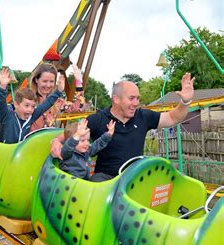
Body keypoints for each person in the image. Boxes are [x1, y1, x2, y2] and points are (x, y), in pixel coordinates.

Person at [51, 73, 195, 181]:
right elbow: (67, 135)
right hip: (107, 180)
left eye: (137, 98)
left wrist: (185, 102)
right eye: (131, 98)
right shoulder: (98, 119)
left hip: (134, 178)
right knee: (96, 182)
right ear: (116, 99)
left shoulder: (143, 116)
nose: (136, 103)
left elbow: (172, 117)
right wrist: (56, 142)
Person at [0, 67, 65, 144]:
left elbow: (47, 103)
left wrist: (59, 91)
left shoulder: (31, 116)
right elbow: (1, 102)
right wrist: (3, 87)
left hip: (17, 152)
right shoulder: (6, 116)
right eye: (27, 105)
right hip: (1, 151)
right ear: (16, 104)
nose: (30, 110)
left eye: (32, 106)